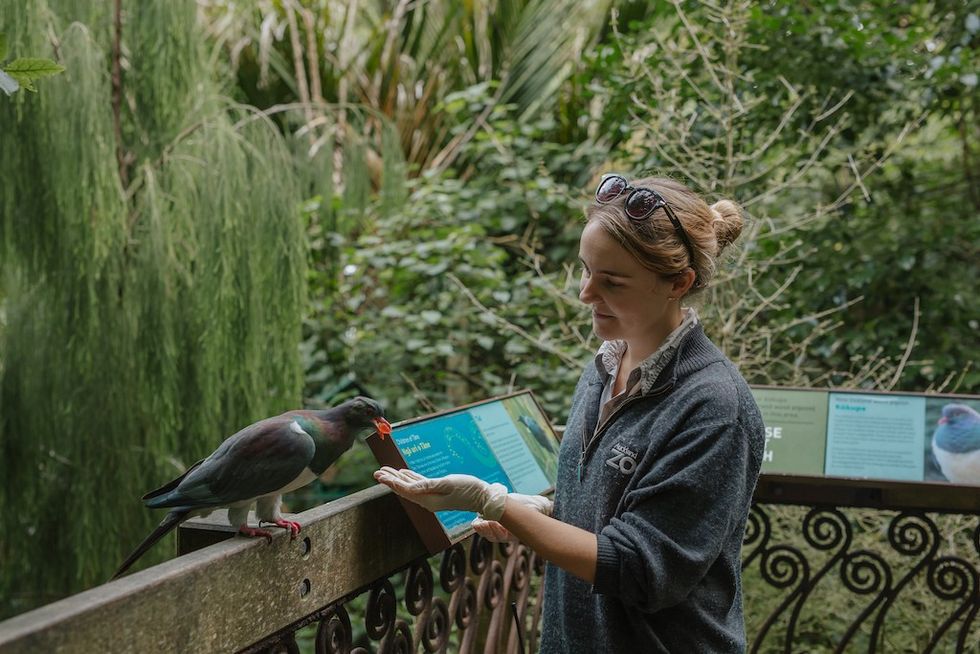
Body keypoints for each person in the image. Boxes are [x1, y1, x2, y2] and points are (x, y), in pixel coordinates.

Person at [375, 174, 765, 653]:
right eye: (585, 270)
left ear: (678, 283)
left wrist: (491, 503)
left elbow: (643, 569)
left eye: (612, 282)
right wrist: (532, 511)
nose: (585, 293)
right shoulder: (603, 367)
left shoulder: (713, 407)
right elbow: (614, 513)